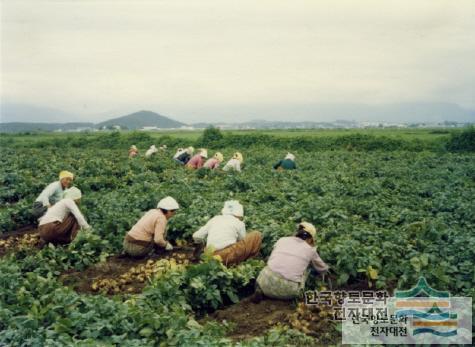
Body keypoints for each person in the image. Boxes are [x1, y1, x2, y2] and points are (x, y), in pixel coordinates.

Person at [254, 222, 329, 300]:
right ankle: (297, 297)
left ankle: (260, 291)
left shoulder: (282, 240)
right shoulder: (310, 250)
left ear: (297, 233)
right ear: (310, 239)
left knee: (270, 265)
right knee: (307, 270)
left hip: (265, 282)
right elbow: (323, 269)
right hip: (288, 290)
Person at [192, 200, 262, 266]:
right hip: (225, 257)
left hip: (209, 257)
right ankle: (248, 261)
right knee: (256, 235)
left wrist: (201, 247)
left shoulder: (215, 219)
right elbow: (242, 241)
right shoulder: (239, 223)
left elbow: (196, 236)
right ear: (239, 214)